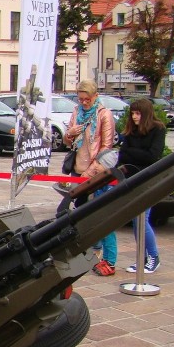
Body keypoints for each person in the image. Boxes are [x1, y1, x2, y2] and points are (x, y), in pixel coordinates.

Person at [63, 80, 117, 276]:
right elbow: (66, 141)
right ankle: (88, 247)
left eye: (87, 99)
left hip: (96, 171)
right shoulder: (77, 112)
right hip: (78, 168)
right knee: (80, 210)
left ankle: (101, 252)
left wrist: (90, 172)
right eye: (80, 99)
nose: (84, 103)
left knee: (97, 212)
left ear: (95, 96)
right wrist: (70, 133)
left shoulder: (104, 114)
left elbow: (106, 149)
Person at [118, 98, 165, 273]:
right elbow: (122, 156)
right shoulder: (131, 131)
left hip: (148, 180)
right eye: (132, 113)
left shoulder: (158, 129)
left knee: (142, 220)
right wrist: (136, 154)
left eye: (137, 113)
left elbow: (153, 156)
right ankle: (142, 257)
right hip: (132, 179)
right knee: (136, 220)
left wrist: (132, 153)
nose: (134, 117)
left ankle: (153, 256)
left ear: (145, 114)